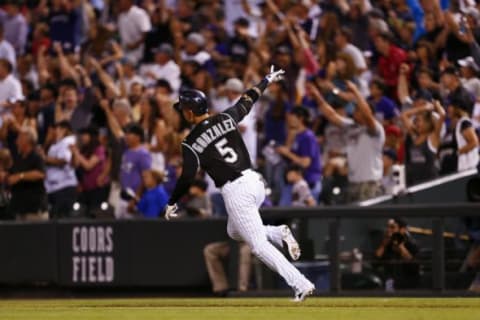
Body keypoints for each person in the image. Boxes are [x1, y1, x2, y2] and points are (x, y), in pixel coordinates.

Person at [165, 66, 315, 302]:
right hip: (255, 182)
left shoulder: (191, 142)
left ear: (191, 112)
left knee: (258, 246)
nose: (182, 113)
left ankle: (301, 284)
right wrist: (266, 80)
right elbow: (248, 99)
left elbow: (187, 176)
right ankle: (277, 232)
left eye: (183, 109)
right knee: (234, 232)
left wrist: (172, 201)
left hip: (235, 189)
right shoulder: (225, 117)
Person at [309, 80, 385, 203]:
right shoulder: (351, 126)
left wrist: (355, 91)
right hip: (352, 182)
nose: (354, 112)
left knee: (369, 220)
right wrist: (317, 96)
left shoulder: (375, 130)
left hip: (370, 183)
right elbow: (331, 115)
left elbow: (367, 112)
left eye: (358, 110)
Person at [400, 101, 445, 185]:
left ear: (428, 123)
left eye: (419, 121)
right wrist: (422, 109)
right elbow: (404, 115)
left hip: (429, 181)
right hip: (413, 181)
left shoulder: (433, 137)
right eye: (415, 121)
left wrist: (437, 105)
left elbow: (442, 115)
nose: (416, 124)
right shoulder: (414, 135)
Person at [7, 128, 48, 221]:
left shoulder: (36, 156)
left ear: (27, 140)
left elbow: (41, 174)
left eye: (19, 137)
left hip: (34, 209)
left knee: (37, 235)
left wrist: (21, 176)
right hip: (20, 208)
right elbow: (11, 176)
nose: (16, 141)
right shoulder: (18, 159)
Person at [374, 218, 420, 290]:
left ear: (402, 230)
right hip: (390, 282)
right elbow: (375, 262)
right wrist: (383, 245)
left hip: (408, 283)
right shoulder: (386, 243)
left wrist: (400, 245)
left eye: (392, 227)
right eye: (388, 227)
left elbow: (413, 266)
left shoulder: (411, 243)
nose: (389, 230)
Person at [44, 121, 78, 218]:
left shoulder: (68, 141)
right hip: (54, 188)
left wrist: (44, 158)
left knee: (62, 221)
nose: (55, 132)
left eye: (57, 129)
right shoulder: (57, 143)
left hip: (64, 187)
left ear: (64, 130)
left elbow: (64, 161)